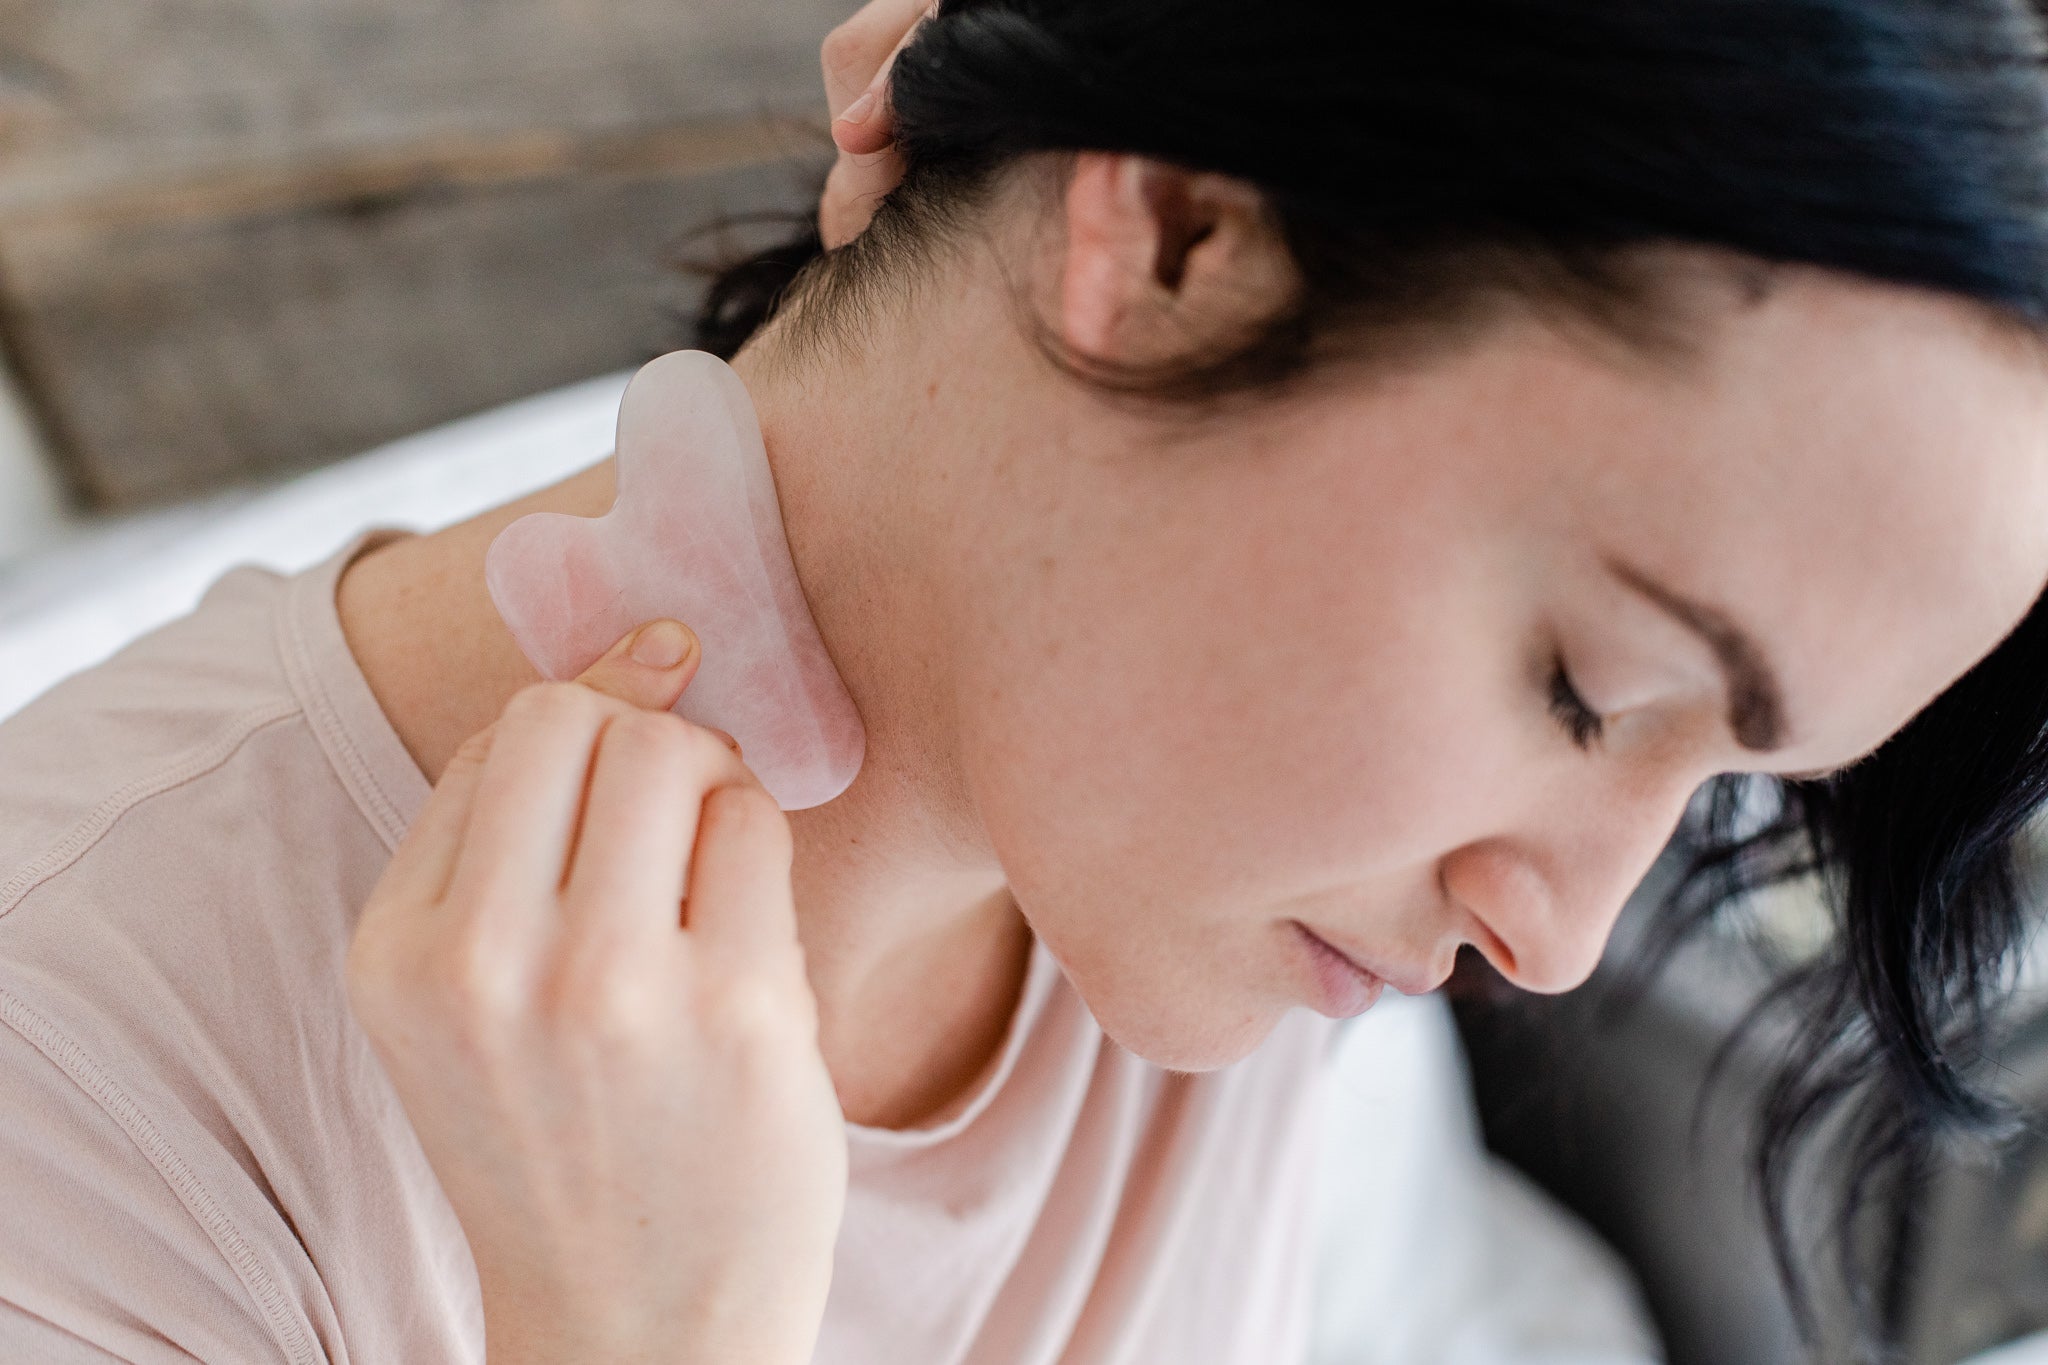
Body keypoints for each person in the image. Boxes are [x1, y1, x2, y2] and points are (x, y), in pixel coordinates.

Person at [5, 0, 2048, 1360]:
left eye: (1708, 790)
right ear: (1169, 237)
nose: (1555, 928)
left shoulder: (1188, 882)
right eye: (1589, 689)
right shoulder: (82, 1098)